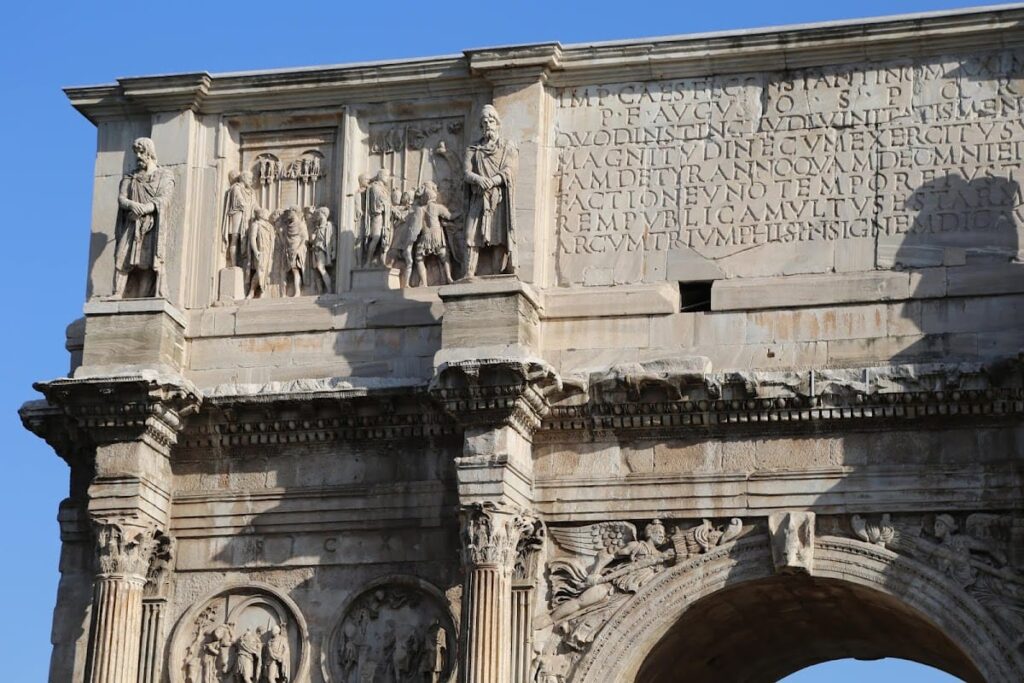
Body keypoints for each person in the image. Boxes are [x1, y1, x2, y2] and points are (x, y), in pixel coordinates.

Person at [113, 137, 175, 298]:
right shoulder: (130, 177)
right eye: (136, 153)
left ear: (150, 152)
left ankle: (143, 295)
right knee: (121, 256)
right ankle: (117, 293)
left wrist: (147, 208)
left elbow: (165, 198)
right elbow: (121, 198)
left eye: (142, 152)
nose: (139, 156)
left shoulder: (164, 175)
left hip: (151, 223)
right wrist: (132, 205)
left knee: (147, 260)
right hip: (132, 222)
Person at [463, 104, 517, 278]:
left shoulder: (507, 147)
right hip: (478, 197)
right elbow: (466, 172)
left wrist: (493, 181)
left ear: (497, 124)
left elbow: (510, 170)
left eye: (491, 121)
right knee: (470, 235)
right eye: (484, 122)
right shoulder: (473, 149)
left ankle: (496, 273)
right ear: (481, 126)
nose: (488, 124)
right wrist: (479, 179)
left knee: (498, 236)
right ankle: (469, 273)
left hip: (497, 197)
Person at [407, 182, 454, 287]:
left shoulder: (420, 209)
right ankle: (449, 277)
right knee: (444, 256)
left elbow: (416, 226)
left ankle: (424, 282)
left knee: (419, 258)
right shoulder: (438, 207)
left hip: (425, 236)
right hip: (437, 235)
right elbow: (450, 216)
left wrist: (412, 238)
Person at [222, 170, 257, 267]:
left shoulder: (251, 192)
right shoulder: (236, 188)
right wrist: (247, 206)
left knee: (246, 239)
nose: (251, 181)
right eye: (249, 179)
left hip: (247, 216)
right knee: (235, 238)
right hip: (237, 214)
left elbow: (254, 205)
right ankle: (233, 264)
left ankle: (242, 264)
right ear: (244, 178)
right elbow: (240, 201)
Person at [360, 169, 392, 266]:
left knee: (384, 238)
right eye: (386, 175)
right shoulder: (375, 187)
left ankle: (381, 261)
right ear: (381, 176)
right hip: (377, 216)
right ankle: (368, 261)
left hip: (385, 217)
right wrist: (390, 206)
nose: (388, 178)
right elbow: (380, 201)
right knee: (376, 237)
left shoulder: (383, 188)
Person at [245, 207, 276, 298]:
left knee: (266, 271)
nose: (267, 215)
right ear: (261, 215)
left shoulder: (270, 226)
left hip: (268, 251)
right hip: (260, 251)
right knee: (260, 271)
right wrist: (255, 251)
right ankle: (253, 291)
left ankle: (260, 291)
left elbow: (272, 240)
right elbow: (252, 238)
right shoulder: (256, 224)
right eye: (266, 213)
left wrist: (272, 252)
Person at [278, 206, 309, 297]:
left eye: (290, 212)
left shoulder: (300, 224)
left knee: (295, 270)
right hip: (288, 251)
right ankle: (283, 293)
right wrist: (280, 233)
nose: (288, 215)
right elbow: (284, 241)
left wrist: (299, 249)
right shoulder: (287, 227)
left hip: (296, 250)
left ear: (295, 213)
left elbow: (305, 238)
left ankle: (297, 291)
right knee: (286, 271)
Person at [310, 207, 336, 294]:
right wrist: (312, 239)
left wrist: (334, 250)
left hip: (322, 250)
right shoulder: (317, 228)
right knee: (316, 271)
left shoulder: (328, 226)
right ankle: (320, 292)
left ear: (323, 214)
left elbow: (333, 239)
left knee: (321, 268)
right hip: (315, 250)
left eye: (318, 214)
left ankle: (329, 290)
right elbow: (313, 240)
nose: (317, 216)